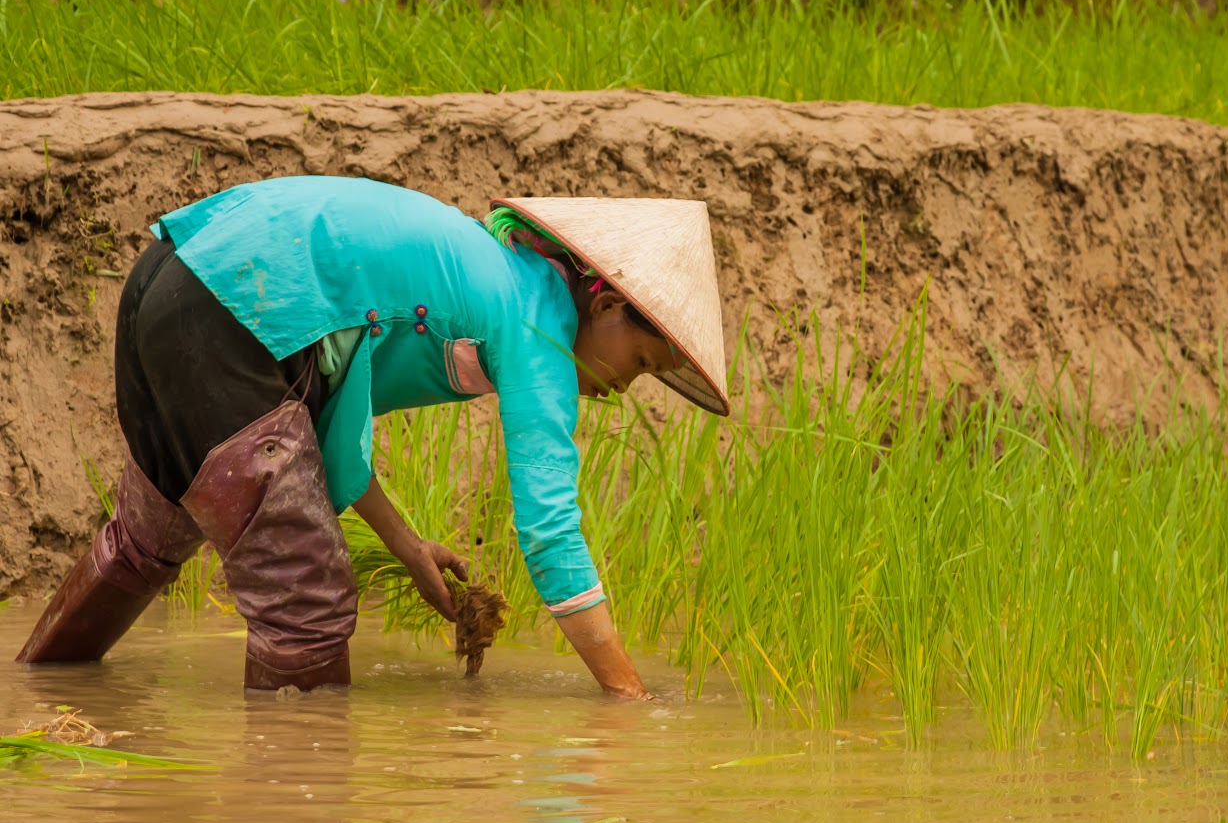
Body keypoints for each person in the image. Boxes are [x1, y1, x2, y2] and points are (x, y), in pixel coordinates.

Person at [15, 176, 729, 696]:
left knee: (148, 538)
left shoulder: (489, 273)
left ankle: (40, 696)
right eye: (640, 363)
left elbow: (320, 415)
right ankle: (297, 790)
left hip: (173, 278)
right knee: (308, 608)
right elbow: (549, 534)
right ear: (603, 304)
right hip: (232, 310)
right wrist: (627, 696)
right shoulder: (537, 330)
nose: (622, 388)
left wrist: (407, 545)